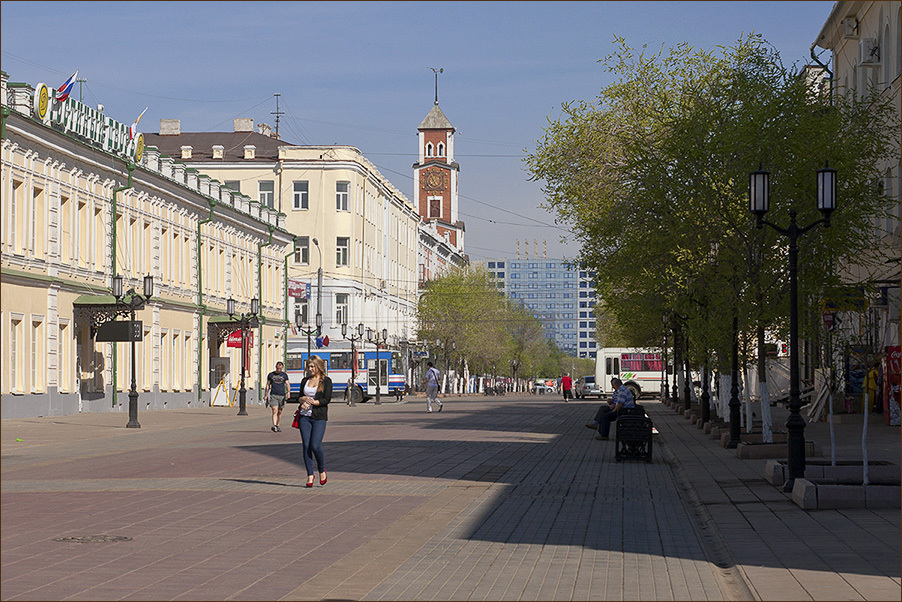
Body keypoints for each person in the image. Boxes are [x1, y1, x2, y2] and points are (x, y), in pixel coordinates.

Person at [297, 356, 332, 487]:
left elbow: (327, 399)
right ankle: (310, 475)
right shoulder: (305, 380)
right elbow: (299, 397)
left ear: (319, 366)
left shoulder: (326, 381)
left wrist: (314, 402)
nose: (310, 369)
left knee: (315, 445)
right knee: (306, 446)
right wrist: (303, 401)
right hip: (304, 417)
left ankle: (322, 469)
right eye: (309, 366)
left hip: (319, 417)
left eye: (313, 366)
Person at [264, 361, 290, 432]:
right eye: (278, 368)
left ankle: (278, 425)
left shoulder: (284, 375)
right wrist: (266, 395)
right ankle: (274, 425)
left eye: (280, 369)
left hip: (281, 395)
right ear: (276, 367)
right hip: (273, 395)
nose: (279, 370)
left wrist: (288, 392)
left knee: (280, 411)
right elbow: (267, 385)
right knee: (274, 410)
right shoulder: (271, 375)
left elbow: (287, 384)